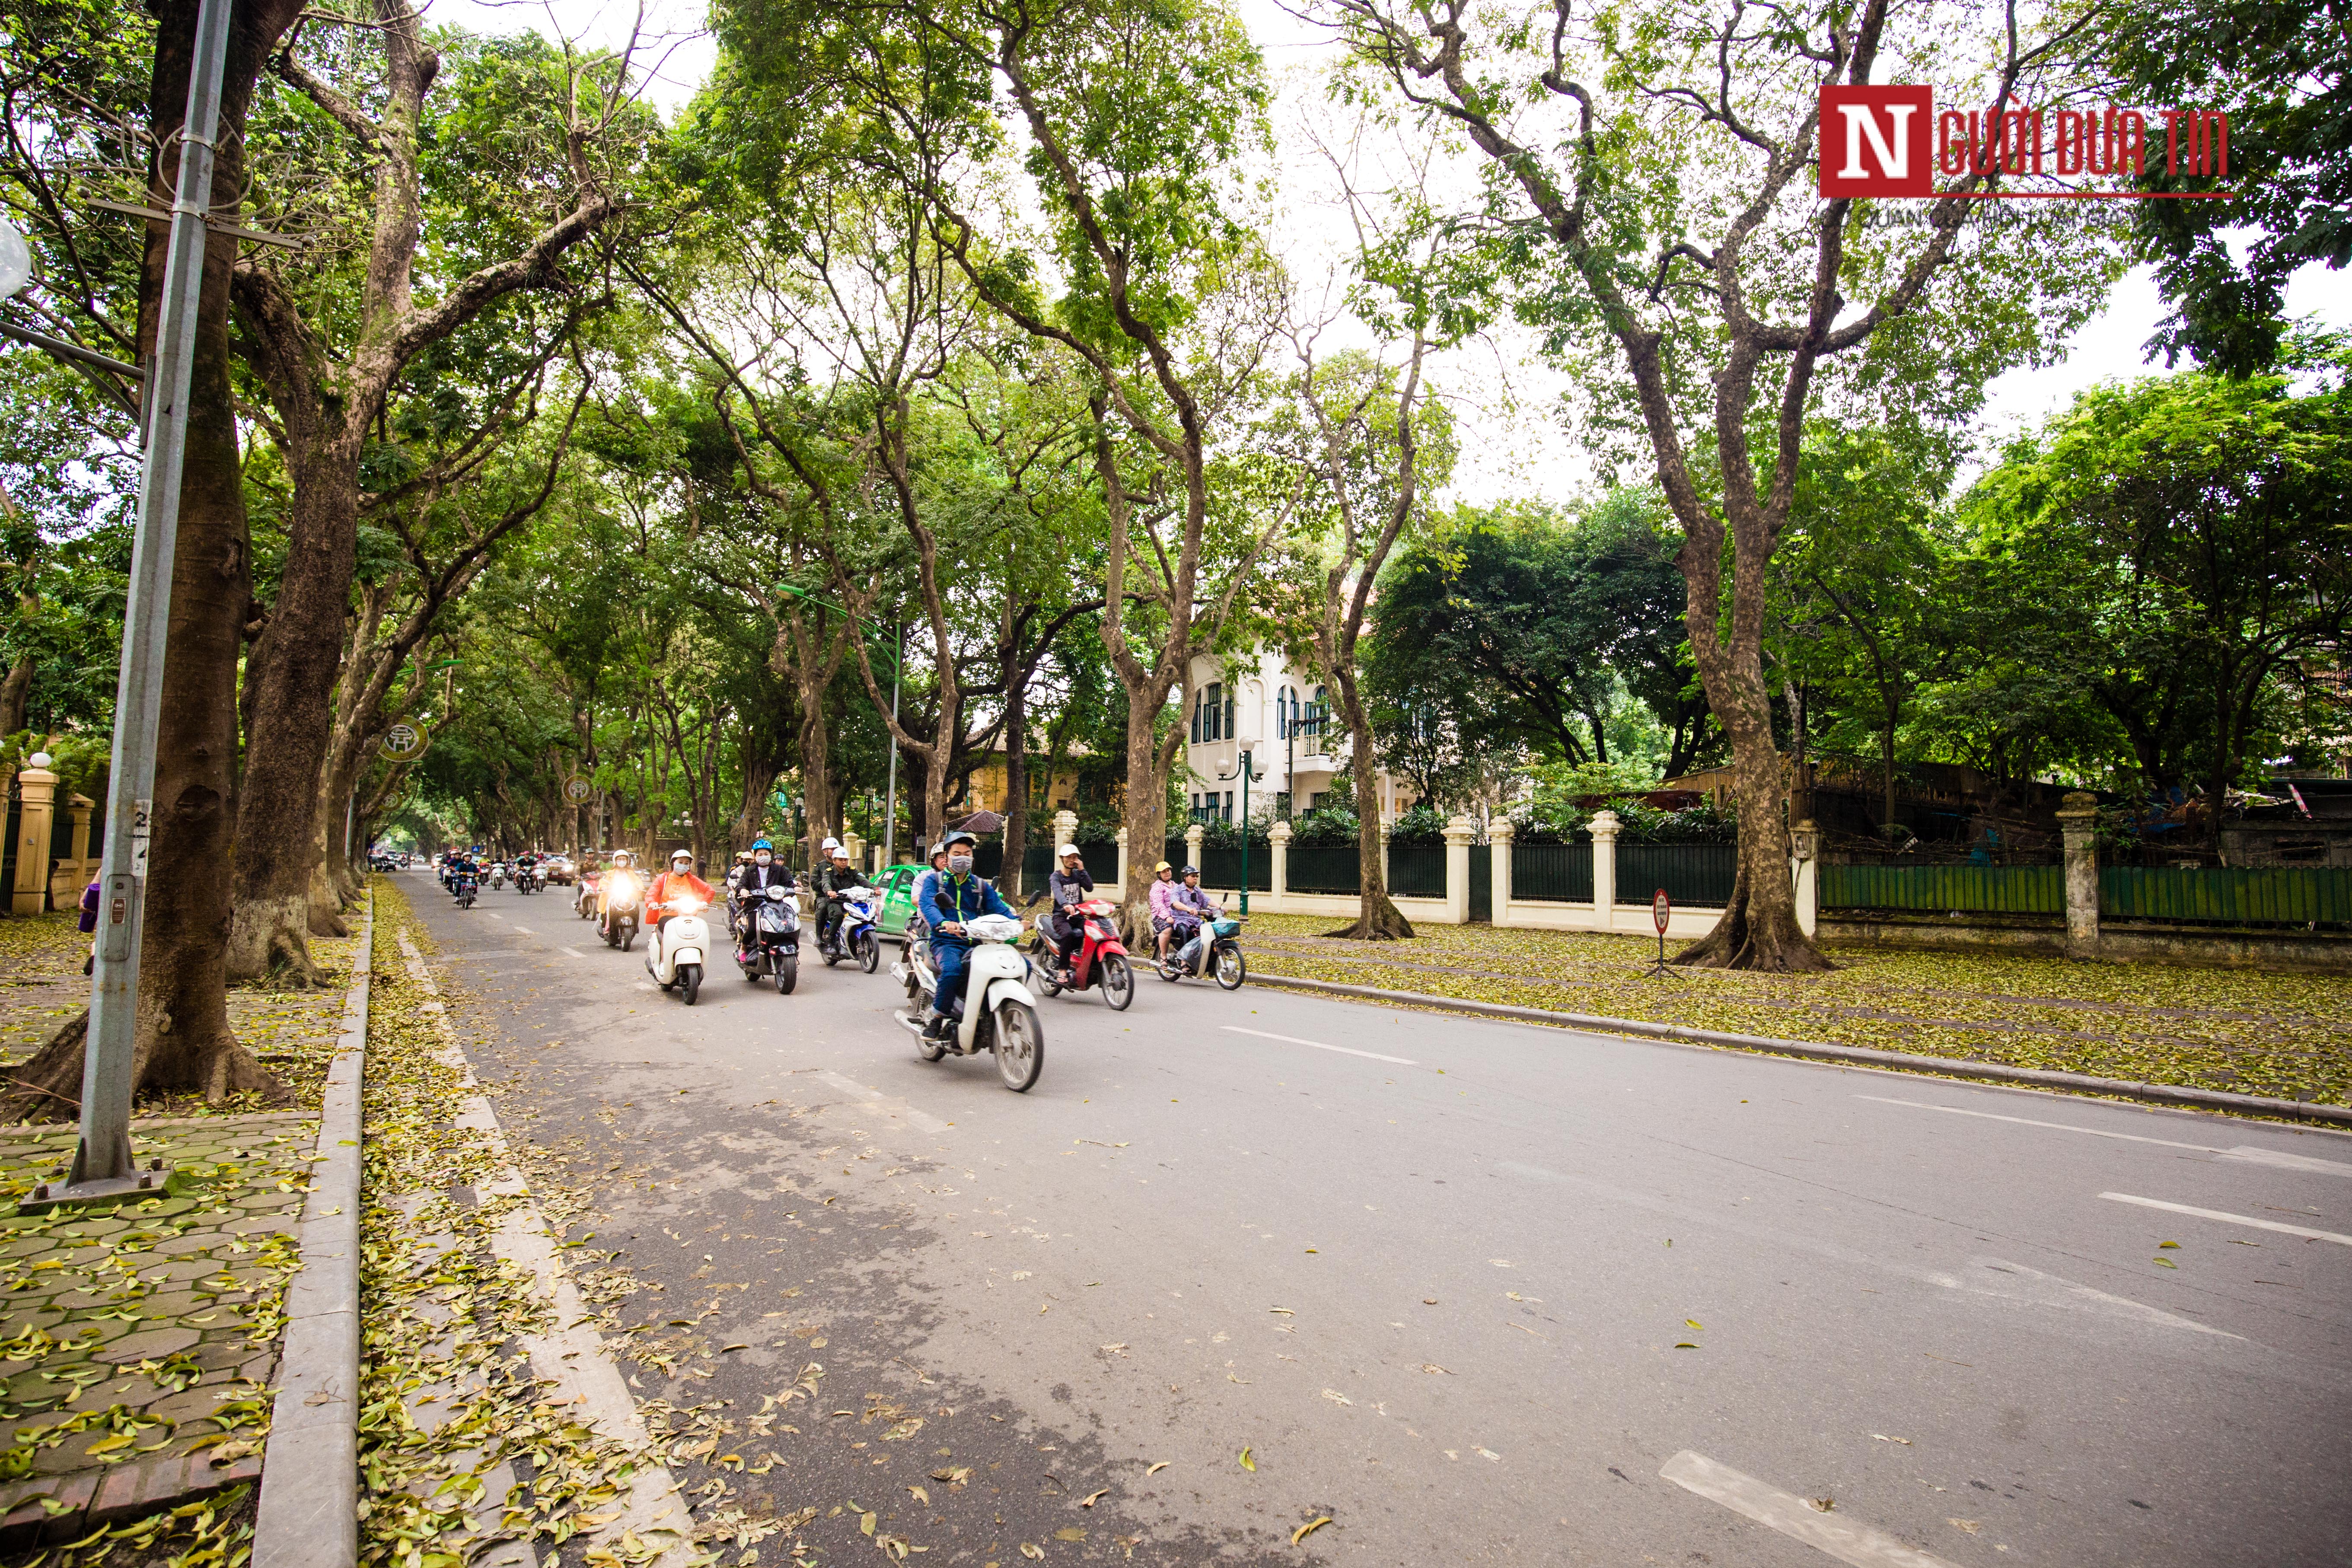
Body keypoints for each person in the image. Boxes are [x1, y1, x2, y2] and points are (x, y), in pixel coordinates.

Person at [918, 830, 1014, 1039]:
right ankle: (936, 1018)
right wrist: (943, 922)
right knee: (953, 971)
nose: (963, 857)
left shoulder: (979, 885)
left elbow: (1000, 908)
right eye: (957, 853)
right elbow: (928, 904)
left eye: (967, 853)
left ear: (972, 856)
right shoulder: (935, 882)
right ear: (947, 856)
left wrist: (1017, 923)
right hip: (947, 941)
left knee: (1020, 966)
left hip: (979, 942)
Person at [729, 839, 796, 957]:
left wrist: (795, 888)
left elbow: (789, 883)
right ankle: (744, 948)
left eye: (766, 854)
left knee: (789, 925)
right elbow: (741, 885)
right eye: (760, 855)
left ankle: (792, 949)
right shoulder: (750, 870)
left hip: (776, 904)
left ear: (771, 855)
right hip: (755, 905)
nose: (763, 857)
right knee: (753, 928)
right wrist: (743, 890)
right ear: (755, 856)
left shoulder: (779, 870)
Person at [815, 843, 872, 957]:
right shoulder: (828, 872)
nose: (844, 862)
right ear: (834, 860)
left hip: (850, 902)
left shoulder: (852, 871)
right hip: (834, 902)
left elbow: (863, 880)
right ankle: (831, 942)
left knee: (862, 915)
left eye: (846, 860)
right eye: (841, 860)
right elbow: (826, 883)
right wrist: (830, 891)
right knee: (838, 915)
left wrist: (874, 888)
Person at [1043, 844, 1093, 969]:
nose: (1072, 860)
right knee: (1068, 934)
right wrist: (1065, 904)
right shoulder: (1056, 876)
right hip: (1061, 917)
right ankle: (1063, 970)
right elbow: (1058, 892)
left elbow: (1089, 888)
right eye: (1068, 857)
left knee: (1094, 931)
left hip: (1078, 916)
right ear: (1062, 858)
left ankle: (1084, 963)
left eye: (1074, 857)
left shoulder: (1077, 874)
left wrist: (1082, 870)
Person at [645, 850, 715, 940]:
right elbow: (652, 893)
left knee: (699, 932)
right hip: (667, 915)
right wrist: (652, 902)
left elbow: (710, 891)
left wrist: (703, 903)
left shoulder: (692, 879)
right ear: (673, 863)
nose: (683, 865)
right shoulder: (663, 879)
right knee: (669, 932)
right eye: (680, 862)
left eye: (686, 863)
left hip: (689, 915)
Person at [1166, 865, 1221, 972]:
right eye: (1193, 876)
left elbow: (1207, 900)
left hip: (1196, 920)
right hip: (1181, 919)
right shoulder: (1177, 890)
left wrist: (1220, 907)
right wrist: (1188, 909)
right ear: (1185, 877)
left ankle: (1206, 963)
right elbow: (1175, 903)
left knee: (1210, 934)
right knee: (1185, 932)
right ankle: (1183, 961)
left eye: (1197, 876)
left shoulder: (1197, 891)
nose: (1196, 878)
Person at [1147, 860, 1179, 962]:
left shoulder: (1176, 886)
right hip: (1160, 917)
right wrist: (1167, 917)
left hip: (1177, 916)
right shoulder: (1157, 887)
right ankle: (1164, 956)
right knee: (1167, 929)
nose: (1167, 873)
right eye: (1164, 871)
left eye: (1169, 870)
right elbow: (1158, 905)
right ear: (1159, 875)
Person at [79, 876, 101, 975]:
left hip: (104, 902)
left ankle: (95, 953)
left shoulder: (109, 862)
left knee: (102, 936)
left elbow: (94, 884)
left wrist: (83, 900)